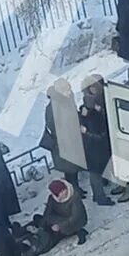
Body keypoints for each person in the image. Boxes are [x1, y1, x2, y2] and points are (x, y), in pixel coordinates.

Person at [80, 76, 117, 206]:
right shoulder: (88, 109)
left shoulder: (101, 102)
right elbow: (90, 127)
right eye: (91, 87)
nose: (93, 89)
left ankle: (99, 193)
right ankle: (99, 196)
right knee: (95, 172)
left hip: (97, 142)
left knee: (98, 169)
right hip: (94, 143)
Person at [39, 81, 82, 192]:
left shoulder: (67, 101)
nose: (69, 92)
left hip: (71, 140)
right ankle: (73, 189)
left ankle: (76, 188)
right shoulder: (53, 106)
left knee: (73, 167)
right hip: (62, 142)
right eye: (66, 90)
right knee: (69, 169)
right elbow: (52, 125)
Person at [41, 179, 89, 247]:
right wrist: (43, 225)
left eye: (63, 190)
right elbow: (48, 212)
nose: (63, 193)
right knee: (39, 219)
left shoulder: (74, 198)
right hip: (59, 219)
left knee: (53, 237)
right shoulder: (52, 198)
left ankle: (78, 231)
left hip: (74, 221)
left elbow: (75, 217)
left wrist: (60, 226)